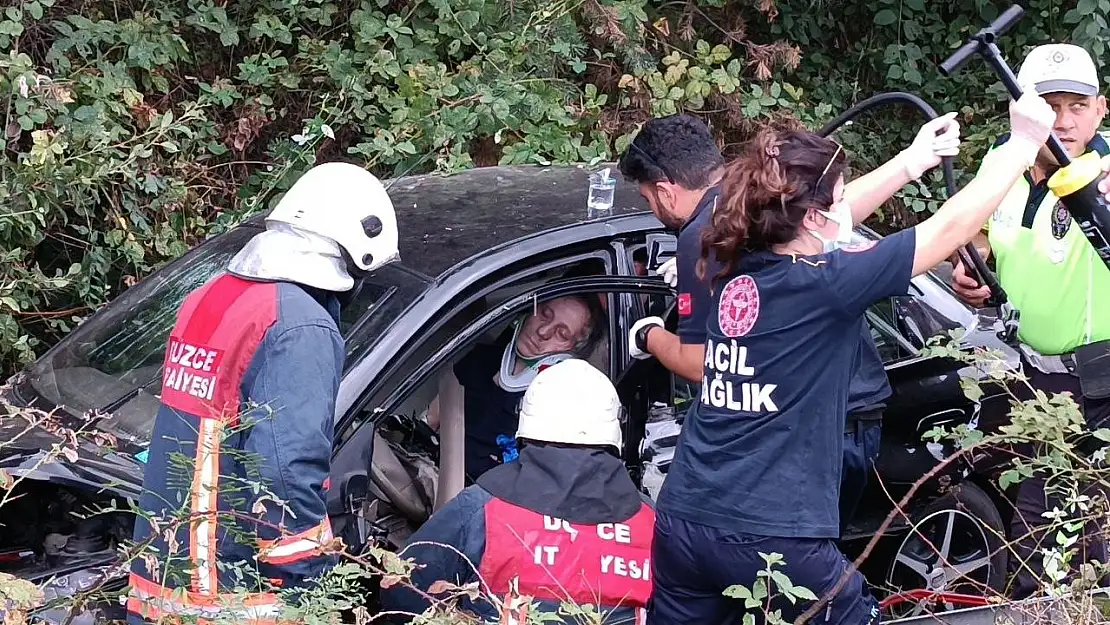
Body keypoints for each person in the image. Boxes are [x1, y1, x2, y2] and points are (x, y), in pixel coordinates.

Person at [646, 89, 1058, 624]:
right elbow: (949, 228)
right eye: (837, 201)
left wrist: (910, 163)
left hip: (683, 521)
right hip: (773, 531)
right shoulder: (828, 285)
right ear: (814, 218)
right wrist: (1022, 144)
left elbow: (815, 219)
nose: (847, 210)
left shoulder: (726, 260)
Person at [619, 112, 962, 533]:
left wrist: (648, 335)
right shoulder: (748, 200)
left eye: (647, 199)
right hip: (856, 408)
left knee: (795, 559)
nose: (652, 210)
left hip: (815, 425)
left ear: (665, 191)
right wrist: (909, 164)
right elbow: (829, 213)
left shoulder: (699, 236)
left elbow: (701, 363)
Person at [126, 162, 400, 624]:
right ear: (355, 258)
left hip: (163, 576)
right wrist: (318, 584)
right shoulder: (300, 326)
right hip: (230, 593)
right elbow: (283, 473)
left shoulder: (214, 297)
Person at [948, 43, 1110, 599]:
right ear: (1022, 110)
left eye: (1077, 105)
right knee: (1030, 530)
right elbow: (972, 234)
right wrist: (968, 267)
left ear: (1100, 110)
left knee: (1067, 541)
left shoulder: (1105, 177)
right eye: (1048, 104)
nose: (1063, 121)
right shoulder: (1003, 168)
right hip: (1021, 385)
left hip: (1096, 386)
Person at [380, 359, 654, 623]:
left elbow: (402, 590)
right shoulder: (651, 521)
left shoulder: (482, 507)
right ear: (615, 428)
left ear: (525, 420)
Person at [426, 293, 606, 481]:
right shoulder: (479, 359)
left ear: (573, 350)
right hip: (432, 482)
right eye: (545, 314)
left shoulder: (555, 406)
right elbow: (430, 422)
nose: (543, 332)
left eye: (562, 333)